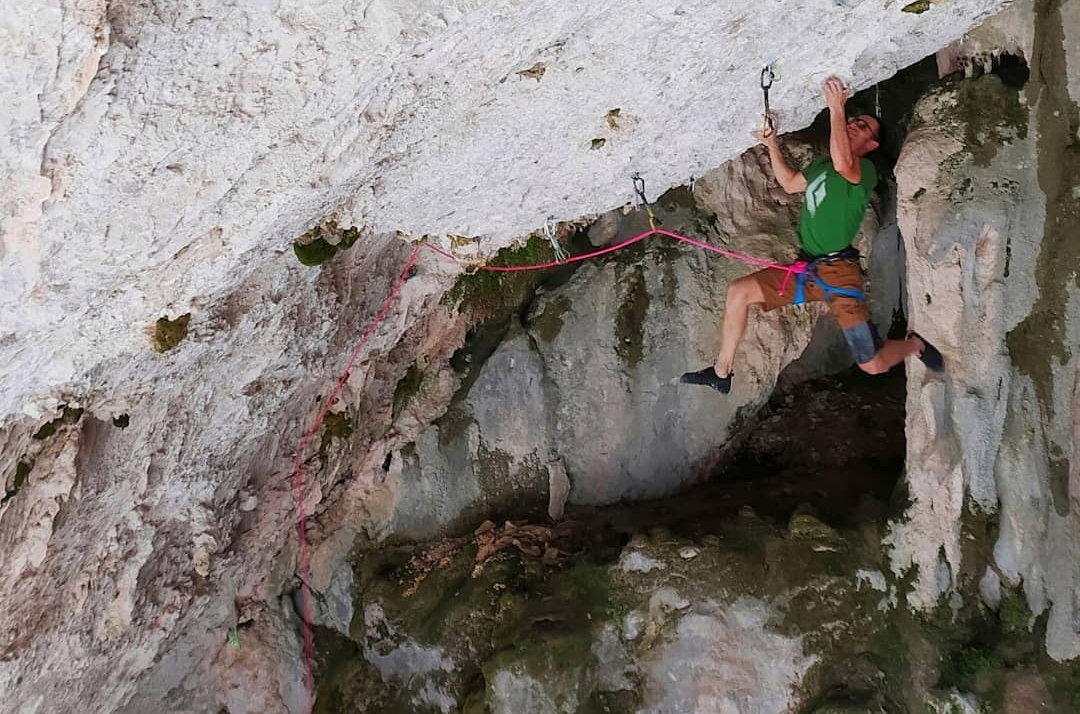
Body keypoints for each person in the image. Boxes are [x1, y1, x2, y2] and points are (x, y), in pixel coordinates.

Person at [681, 76, 943, 394]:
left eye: (864, 128)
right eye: (856, 120)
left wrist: (836, 107)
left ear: (871, 145)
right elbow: (790, 183)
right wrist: (771, 144)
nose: (855, 125)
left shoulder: (863, 173)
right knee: (739, 292)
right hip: (806, 270)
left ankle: (913, 345)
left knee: (872, 364)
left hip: (840, 275)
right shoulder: (822, 166)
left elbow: (844, 161)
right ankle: (722, 373)